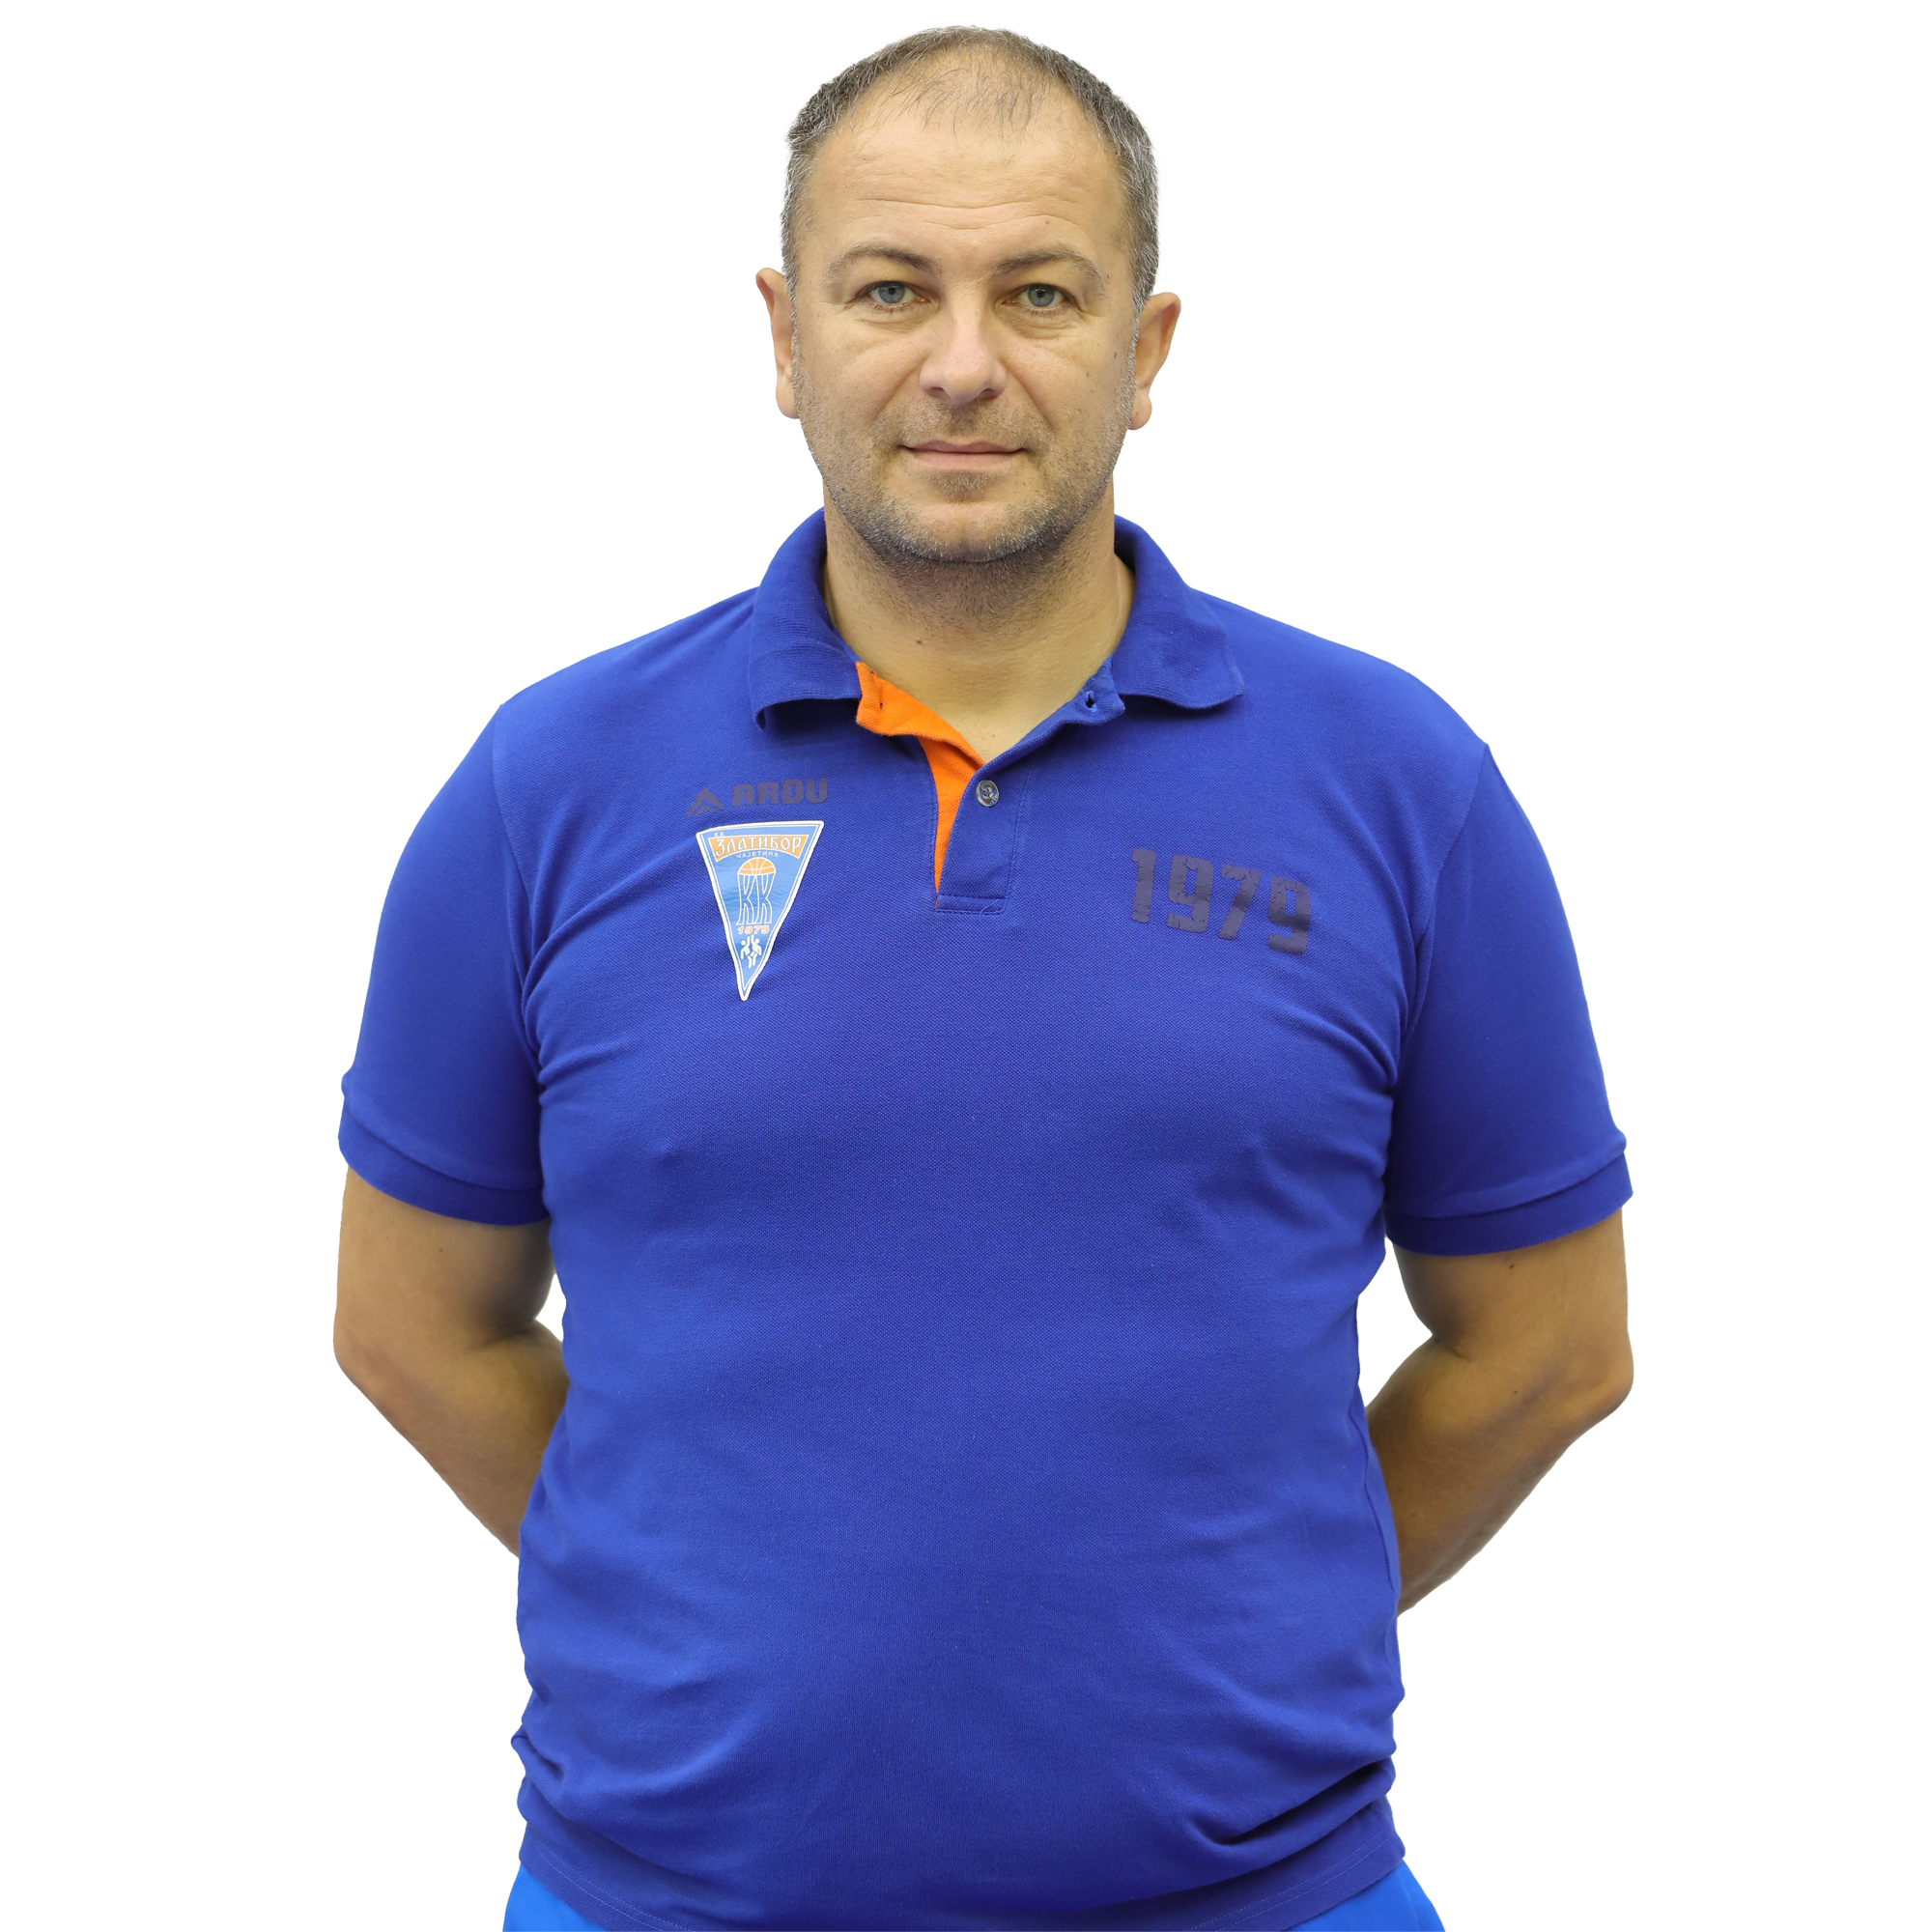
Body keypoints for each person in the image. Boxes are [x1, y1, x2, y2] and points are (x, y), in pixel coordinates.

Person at [335, 26, 1632, 1932]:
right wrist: (683, 1595)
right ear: (785, 337)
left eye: (1040, 293)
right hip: (661, 1901)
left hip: (1269, 1898)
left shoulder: (1397, 785)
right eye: (889, 290)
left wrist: (1258, 1622)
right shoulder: (551, 785)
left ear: (1145, 348)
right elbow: (406, 1320)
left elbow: (1553, 1343)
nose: (961, 363)